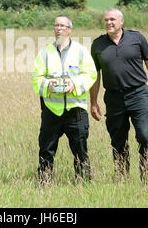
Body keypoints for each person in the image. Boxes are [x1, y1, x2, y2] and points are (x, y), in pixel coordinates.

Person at [90, 8, 148, 182]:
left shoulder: (137, 38)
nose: (109, 23)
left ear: (121, 22)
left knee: (145, 135)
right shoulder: (97, 44)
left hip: (138, 94)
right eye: (106, 20)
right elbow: (95, 75)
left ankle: (147, 179)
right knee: (118, 141)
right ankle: (122, 179)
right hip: (113, 98)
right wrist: (93, 102)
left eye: (112, 19)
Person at [32, 15, 97, 185]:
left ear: (70, 29)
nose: (59, 28)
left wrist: (74, 84)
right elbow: (36, 78)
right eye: (56, 26)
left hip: (75, 111)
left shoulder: (81, 51)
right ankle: (43, 184)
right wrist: (48, 85)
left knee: (80, 151)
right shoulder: (45, 52)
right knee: (46, 150)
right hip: (51, 111)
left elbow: (91, 74)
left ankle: (83, 185)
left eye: (62, 26)